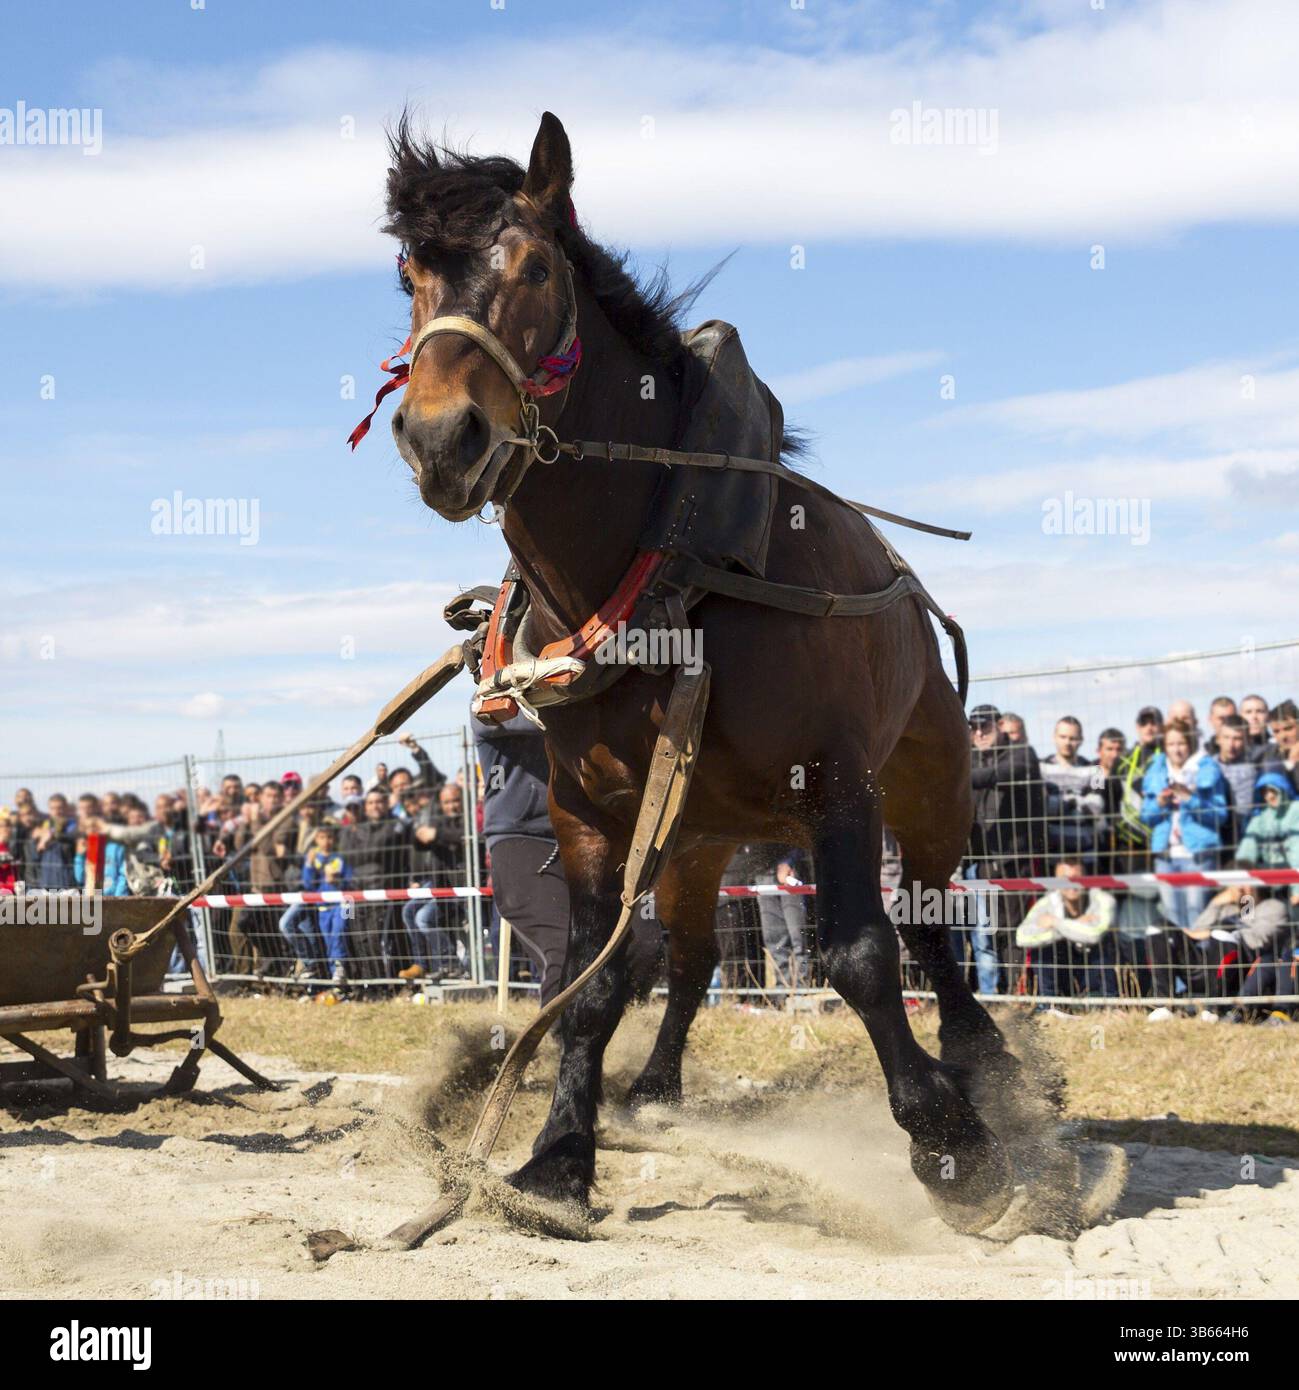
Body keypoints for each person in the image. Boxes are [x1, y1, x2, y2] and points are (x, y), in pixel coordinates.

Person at [476, 707, 661, 1006]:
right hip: (523, 841)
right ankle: (560, 1047)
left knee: (645, 946)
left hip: (592, 836)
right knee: (566, 954)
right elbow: (543, 717)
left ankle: (617, 1034)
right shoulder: (490, 699)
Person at [1015, 859, 1117, 1001]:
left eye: (1076, 878)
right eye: (1064, 879)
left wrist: (1056, 923)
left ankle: (1107, 1003)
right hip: (1062, 968)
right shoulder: (1046, 902)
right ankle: (1050, 1005)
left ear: (1086, 879)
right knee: (1042, 947)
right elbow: (1021, 937)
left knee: (1103, 942)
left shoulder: (1103, 899)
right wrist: (1073, 926)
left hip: (1093, 969)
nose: (1071, 884)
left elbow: (1095, 935)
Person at [399, 780, 468, 981]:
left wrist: (436, 835)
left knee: (424, 918)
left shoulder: (470, 819)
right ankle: (422, 963)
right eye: (446, 803)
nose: (451, 806)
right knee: (409, 911)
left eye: (455, 801)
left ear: (463, 800)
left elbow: (468, 837)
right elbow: (420, 846)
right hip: (438, 885)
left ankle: (449, 962)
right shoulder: (439, 821)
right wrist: (418, 835)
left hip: (462, 887)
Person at [341, 789, 410, 981]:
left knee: (374, 938)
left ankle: (381, 982)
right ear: (365, 807)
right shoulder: (353, 829)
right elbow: (347, 855)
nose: (374, 806)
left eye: (379, 802)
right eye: (370, 803)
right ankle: (364, 982)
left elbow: (378, 847)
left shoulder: (394, 825)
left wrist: (364, 850)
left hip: (380, 891)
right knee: (356, 936)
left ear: (386, 804)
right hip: (353, 894)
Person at [281, 823, 352, 991]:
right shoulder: (314, 859)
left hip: (345, 903)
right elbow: (308, 885)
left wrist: (338, 881)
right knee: (328, 939)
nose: (326, 841)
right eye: (322, 837)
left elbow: (351, 882)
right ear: (316, 840)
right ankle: (335, 979)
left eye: (329, 837)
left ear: (334, 839)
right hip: (323, 907)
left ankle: (340, 967)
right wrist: (308, 865)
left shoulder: (340, 859)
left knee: (341, 931)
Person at [1041, 716, 1104, 866]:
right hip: (1052, 858)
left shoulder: (1097, 770)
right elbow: (1043, 808)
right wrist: (1079, 800)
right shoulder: (1039, 768)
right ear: (1054, 737)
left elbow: (1095, 810)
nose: (1068, 743)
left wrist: (1060, 803)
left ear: (1081, 739)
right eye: (1063, 737)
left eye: (1073, 738)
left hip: (1087, 855)